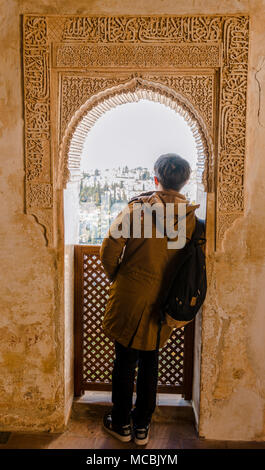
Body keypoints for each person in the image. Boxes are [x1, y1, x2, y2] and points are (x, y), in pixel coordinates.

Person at [99, 153, 200, 445]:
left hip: (130, 297)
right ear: (185, 182)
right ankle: (142, 426)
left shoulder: (136, 210)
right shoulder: (191, 219)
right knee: (151, 361)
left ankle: (121, 423)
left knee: (124, 362)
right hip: (165, 301)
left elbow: (109, 249)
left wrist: (119, 276)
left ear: (155, 179)